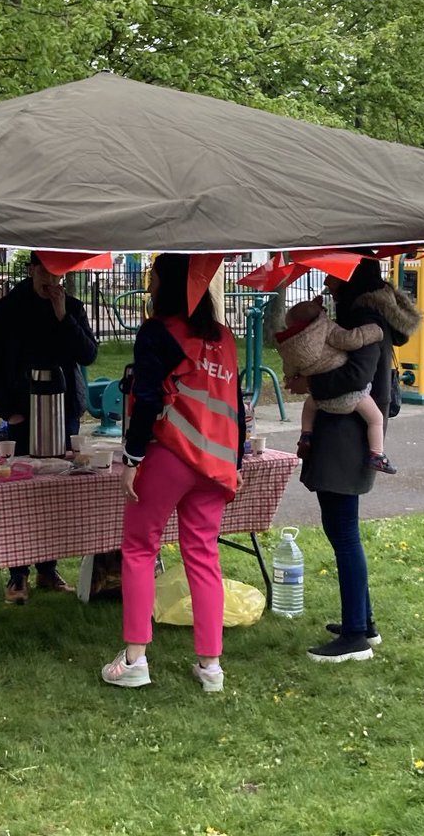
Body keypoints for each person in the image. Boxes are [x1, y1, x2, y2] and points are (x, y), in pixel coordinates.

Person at [101, 253, 245, 692]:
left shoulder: (157, 332)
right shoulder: (223, 336)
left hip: (168, 454)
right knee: (203, 556)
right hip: (216, 462)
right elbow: (237, 404)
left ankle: (135, 659)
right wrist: (235, 465)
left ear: (168, 284)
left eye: (154, 277)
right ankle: (210, 667)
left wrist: (131, 457)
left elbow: (145, 400)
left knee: (140, 549)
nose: (149, 284)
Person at [287, 259, 420, 663]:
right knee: (343, 530)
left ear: (350, 279)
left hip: (346, 438)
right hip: (347, 436)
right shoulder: (369, 315)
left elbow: (355, 377)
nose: (327, 282)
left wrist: (308, 382)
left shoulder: (363, 318)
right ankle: (363, 621)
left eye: (333, 275)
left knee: (343, 533)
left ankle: (356, 636)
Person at [0, 251, 99, 602]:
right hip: (23, 410)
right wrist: (6, 409)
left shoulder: (71, 308)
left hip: (64, 410)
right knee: (21, 490)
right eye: (46, 273)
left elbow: (89, 354)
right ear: (32, 270)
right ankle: (17, 574)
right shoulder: (9, 309)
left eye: (59, 275)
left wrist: (64, 317)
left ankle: (48, 568)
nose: (52, 282)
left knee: (56, 492)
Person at [274, 295, 395, 474]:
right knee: (376, 419)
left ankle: (306, 435)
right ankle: (377, 454)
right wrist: (374, 332)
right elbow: (349, 339)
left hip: (320, 399)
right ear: (319, 315)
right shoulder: (325, 328)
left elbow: (289, 368)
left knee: (308, 407)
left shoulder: (289, 345)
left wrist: (291, 378)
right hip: (352, 397)